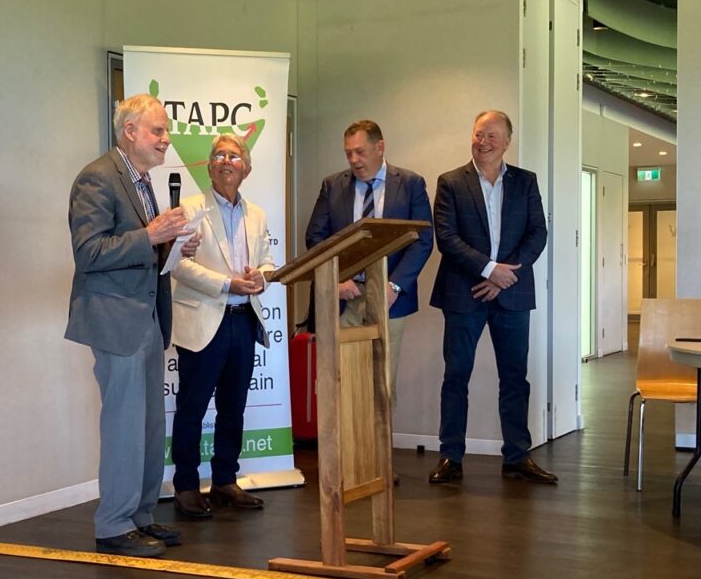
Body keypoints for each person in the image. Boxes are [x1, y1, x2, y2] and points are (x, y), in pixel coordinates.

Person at [65, 94, 190, 557]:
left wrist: (168, 249)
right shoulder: (97, 178)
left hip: (147, 317)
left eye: (166, 132)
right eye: (158, 131)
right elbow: (89, 253)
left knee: (150, 424)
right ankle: (113, 525)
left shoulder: (140, 180)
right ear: (130, 131)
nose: (166, 140)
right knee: (124, 424)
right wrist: (151, 236)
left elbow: (135, 249)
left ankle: (140, 516)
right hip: (116, 319)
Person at [428, 110, 556, 485]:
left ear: (507, 142)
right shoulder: (450, 181)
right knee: (456, 375)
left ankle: (517, 456)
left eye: (492, 136)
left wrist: (504, 276)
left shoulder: (525, 181)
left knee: (516, 378)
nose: (483, 142)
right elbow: (447, 238)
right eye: (479, 134)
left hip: (512, 294)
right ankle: (451, 457)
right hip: (463, 292)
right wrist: (488, 270)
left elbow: (538, 234)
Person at [169, 134, 275, 518]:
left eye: (234, 156)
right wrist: (227, 283)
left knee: (234, 407)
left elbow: (266, 260)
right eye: (219, 156)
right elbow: (177, 264)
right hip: (203, 320)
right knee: (192, 407)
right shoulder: (188, 208)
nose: (226, 161)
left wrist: (261, 277)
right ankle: (185, 485)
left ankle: (226, 480)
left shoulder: (257, 214)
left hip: (243, 320)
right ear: (209, 166)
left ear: (246, 168)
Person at [305, 119, 433, 401]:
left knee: (382, 387)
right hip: (342, 299)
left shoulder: (410, 184)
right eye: (348, 153)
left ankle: (379, 447)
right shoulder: (333, 185)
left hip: (389, 299)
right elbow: (315, 238)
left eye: (360, 152)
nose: (354, 159)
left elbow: (422, 240)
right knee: (343, 384)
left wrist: (395, 287)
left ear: (380, 147)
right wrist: (337, 278)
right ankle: (346, 447)